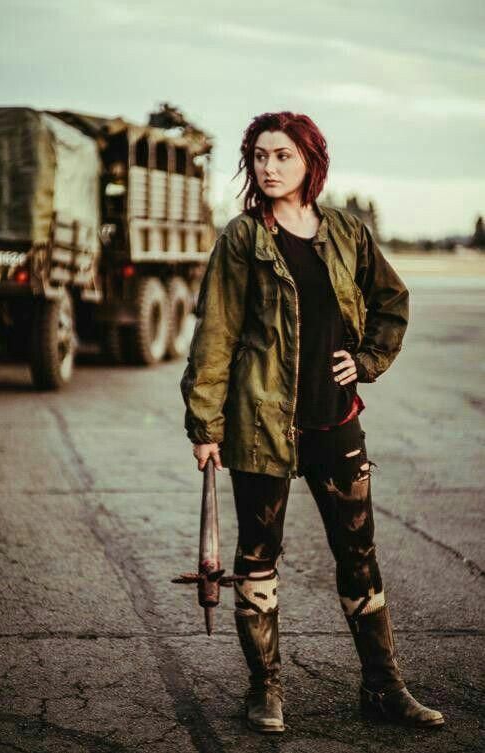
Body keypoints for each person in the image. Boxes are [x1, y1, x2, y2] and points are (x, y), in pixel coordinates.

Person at [180, 111, 444, 734]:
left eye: (283, 156)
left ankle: (383, 688)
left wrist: (369, 359)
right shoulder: (242, 238)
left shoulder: (348, 232)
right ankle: (265, 690)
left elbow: (391, 302)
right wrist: (205, 425)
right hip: (259, 425)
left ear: (310, 162)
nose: (269, 168)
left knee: (359, 559)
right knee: (258, 556)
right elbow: (214, 334)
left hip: (335, 422)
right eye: (260, 157)